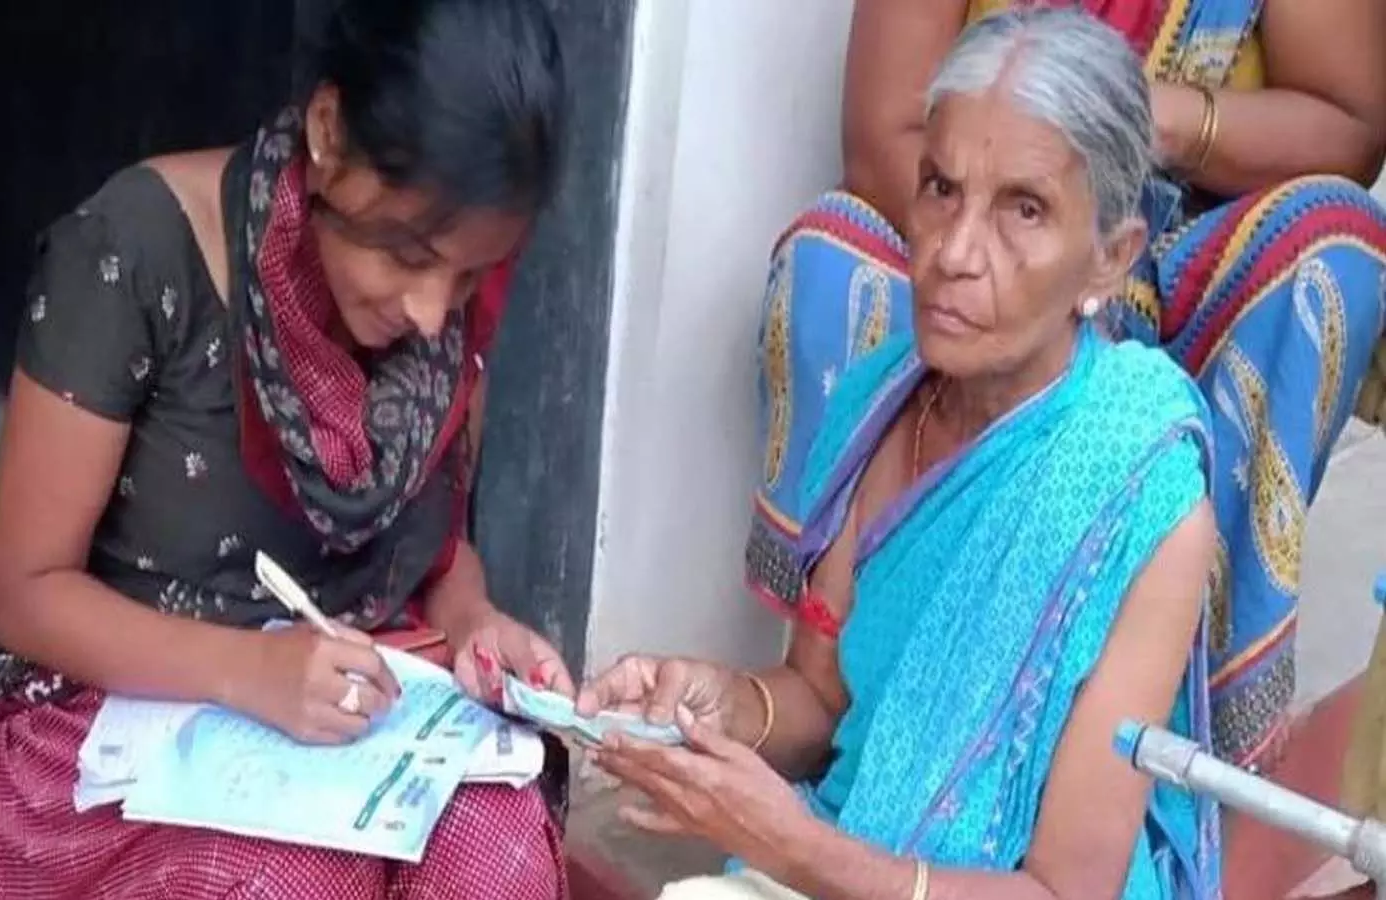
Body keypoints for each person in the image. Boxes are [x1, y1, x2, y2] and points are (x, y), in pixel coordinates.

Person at [0, 1, 575, 897]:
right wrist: (251, 672)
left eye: (471, 275)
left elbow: (435, 548)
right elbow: (26, 595)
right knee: (272, 882)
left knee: (501, 854)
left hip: (363, 714)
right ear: (328, 130)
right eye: (410, 253)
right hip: (118, 720)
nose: (434, 313)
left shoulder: (440, 310)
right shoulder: (134, 253)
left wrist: (477, 622)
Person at [582, 10, 1221, 899]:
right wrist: (716, 702)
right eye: (940, 188)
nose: (955, 253)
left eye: (1023, 210)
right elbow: (819, 704)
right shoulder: (881, 400)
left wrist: (792, 844)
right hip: (846, 855)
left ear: (1109, 260)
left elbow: (1065, 890)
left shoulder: (1142, 497)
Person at [745, 0, 1386, 779]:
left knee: (1334, 252)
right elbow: (886, 139)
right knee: (832, 266)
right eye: (941, 189)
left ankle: (1193, 738)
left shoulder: (1154, 486)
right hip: (1003, 284)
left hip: (1180, 261)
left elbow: (1347, 131)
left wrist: (1152, 124)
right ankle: (830, 705)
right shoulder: (901, 357)